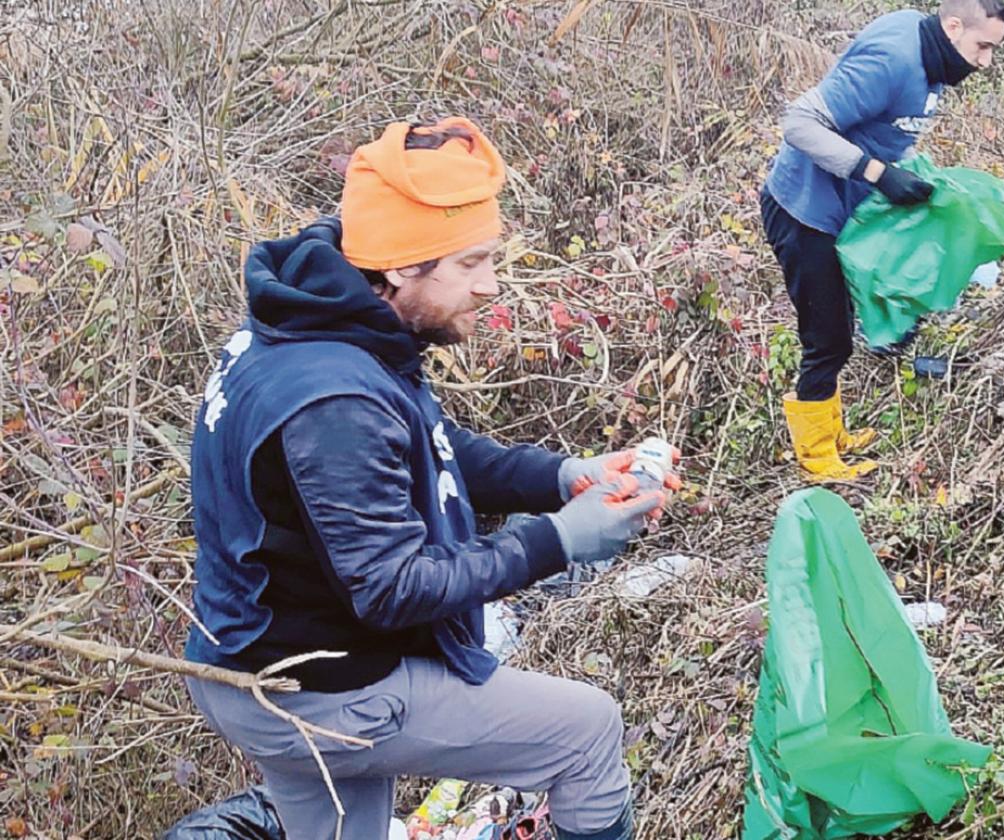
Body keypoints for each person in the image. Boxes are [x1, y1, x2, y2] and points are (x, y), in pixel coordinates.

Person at [181, 117, 668, 840]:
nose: (490, 285)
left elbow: (421, 447)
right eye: (470, 263)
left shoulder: (317, 321)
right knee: (587, 733)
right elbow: (392, 587)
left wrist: (562, 476)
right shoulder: (334, 399)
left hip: (255, 667)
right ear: (403, 267)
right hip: (318, 693)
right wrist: (559, 541)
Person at [760, 0, 1004, 481]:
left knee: (838, 328)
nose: (985, 61)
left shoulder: (935, 57)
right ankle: (816, 457)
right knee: (827, 338)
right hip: (803, 211)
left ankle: (833, 434)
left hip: (842, 211)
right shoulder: (894, 58)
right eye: (982, 47)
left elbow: (888, 130)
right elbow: (799, 124)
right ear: (953, 26)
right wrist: (877, 173)